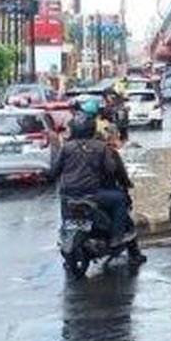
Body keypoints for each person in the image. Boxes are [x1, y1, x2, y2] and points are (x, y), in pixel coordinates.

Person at [50, 112, 145, 264]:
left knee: (66, 218)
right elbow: (111, 170)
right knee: (120, 199)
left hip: (68, 195)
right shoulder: (101, 148)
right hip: (93, 194)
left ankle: (67, 252)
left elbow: (53, 172)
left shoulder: (66, 148)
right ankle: (116, 238)